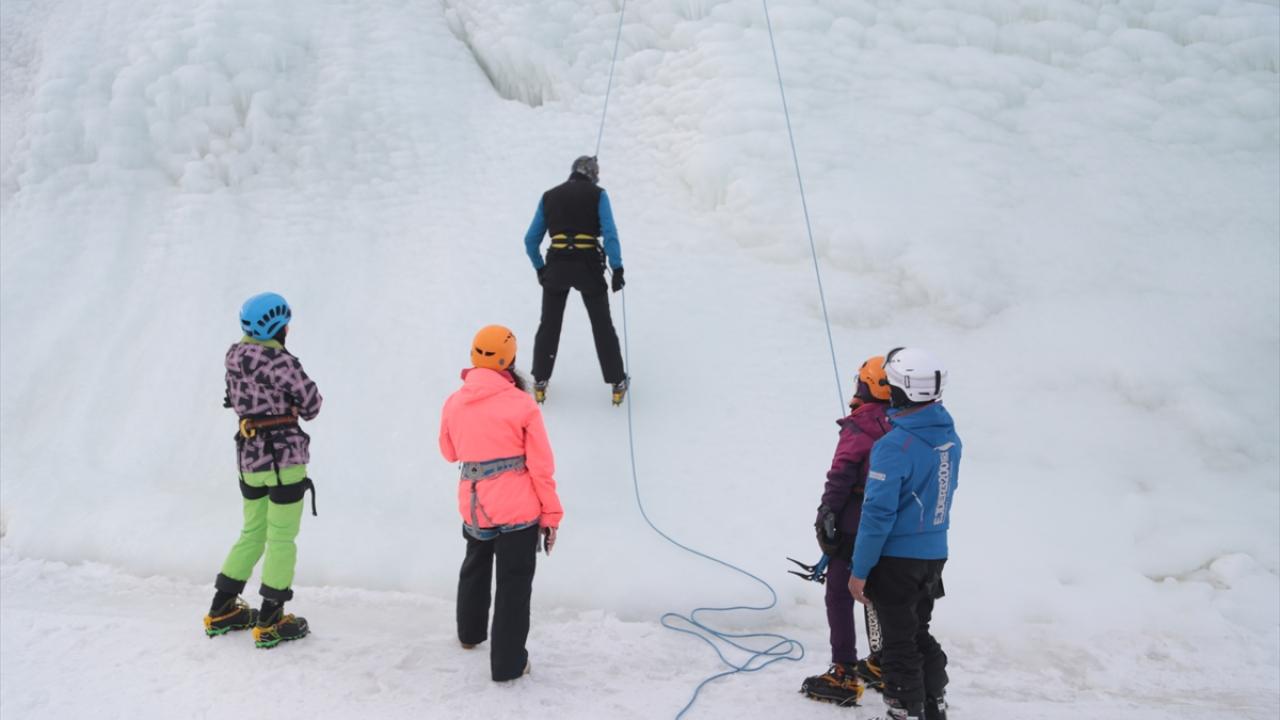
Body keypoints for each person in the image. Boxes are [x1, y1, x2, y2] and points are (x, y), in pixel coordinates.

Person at [439, 325, 564, 681]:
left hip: (474, 502)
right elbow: (541, 467)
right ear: (509, 359)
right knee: (513, 580)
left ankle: (469, 634)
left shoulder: (454, 401)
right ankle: (508, 663)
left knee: (475, 563)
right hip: (517, 507)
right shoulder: (522, 404)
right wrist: (551, 514)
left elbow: (449, 453)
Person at [203, 292, 322, 649]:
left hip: (249, 457)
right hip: (284, 459)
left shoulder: (234, 356)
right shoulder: (281, 362)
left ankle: (222, 608)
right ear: (278, 325)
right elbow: (313, 404)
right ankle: (271, 619)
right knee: (281, 537)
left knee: (253, 531)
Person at [848, 348, 960, 720]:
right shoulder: (948, 435)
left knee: (898, 641)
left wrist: (859, 570)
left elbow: (877, 514)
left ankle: (904, 710)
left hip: (897, 560)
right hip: (933, 553)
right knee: (916, 630)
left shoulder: (894, 446)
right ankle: (933, 702)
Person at [800, 356, 894, 706]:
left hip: (856, 521)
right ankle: (886, 662)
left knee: (840, 594)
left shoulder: (860, 425)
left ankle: (844, 672)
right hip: (894, 524)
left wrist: (827, 512)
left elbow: (841, 473)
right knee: (883, 593)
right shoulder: (907, 423)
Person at [523, 155, 628, 405]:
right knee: (602, 325)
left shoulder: (549, 196)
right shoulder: (598, 194)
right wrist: (618, 268)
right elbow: (610, 233)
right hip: (588, 265)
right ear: (593, 175)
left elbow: (530, 240)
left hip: (556, 265)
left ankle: (540, 381)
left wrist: (540, 268)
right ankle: (617, 382)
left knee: (549, 324)